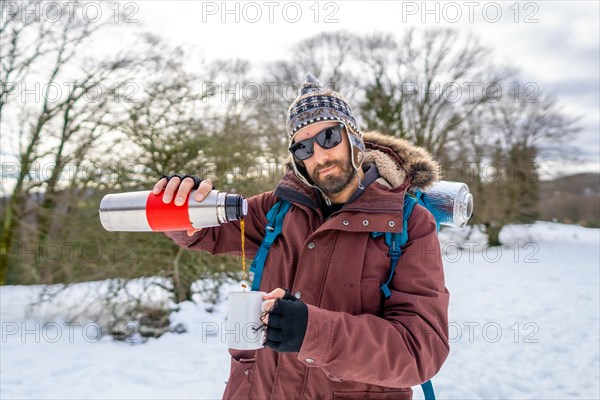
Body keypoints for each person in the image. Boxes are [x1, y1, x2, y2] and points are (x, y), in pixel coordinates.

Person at [154, 74, 449, 400]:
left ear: (354, 137)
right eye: (303, 147)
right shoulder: (279, 209)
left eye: (329, 137)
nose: (319, 156)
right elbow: (205, 232)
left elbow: (422, 350)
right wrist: (184, 206)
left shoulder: (409, 223)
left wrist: (313, 332)